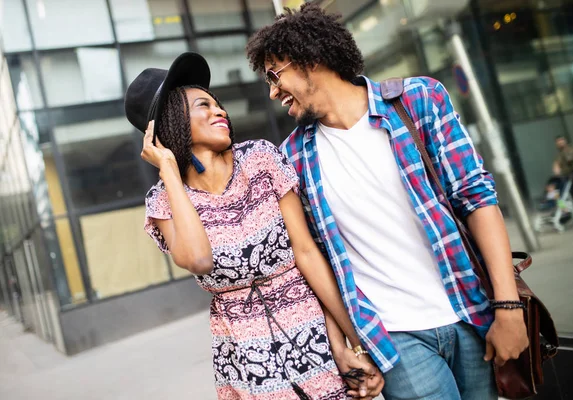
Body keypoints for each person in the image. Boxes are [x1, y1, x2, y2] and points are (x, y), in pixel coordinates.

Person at [246, 4, 529, 400]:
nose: (273, 91)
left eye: (275, 76)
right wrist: (342, 343)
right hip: (394, 336)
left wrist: (508, 307)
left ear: (312, 61)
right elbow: (314, 257)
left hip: (469, 311)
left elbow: (477, 197)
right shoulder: (292, 157)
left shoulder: (418, 100)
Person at [124, 52, 380, 400]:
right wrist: (169, 169)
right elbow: (199, 259)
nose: (220, 111)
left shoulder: (260, 158)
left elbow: (307, 252)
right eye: (204, 105)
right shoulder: (164, 201)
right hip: (245, 355)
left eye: (218, 105)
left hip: (313, 331)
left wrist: (356, 343)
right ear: (172, 123)